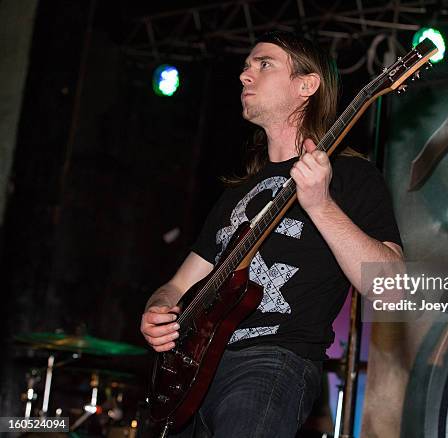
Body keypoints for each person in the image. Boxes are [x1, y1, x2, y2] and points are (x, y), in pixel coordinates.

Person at [140, 31, 404, 438]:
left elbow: (394, 288)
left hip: (271, 362)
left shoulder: (351, 177)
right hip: (192, 373)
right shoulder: (236, 194)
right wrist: (159, 309)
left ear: (306, 85)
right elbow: (178, 284)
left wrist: (320, 204)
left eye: (264, 64)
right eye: (246, 66)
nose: (246, 75)